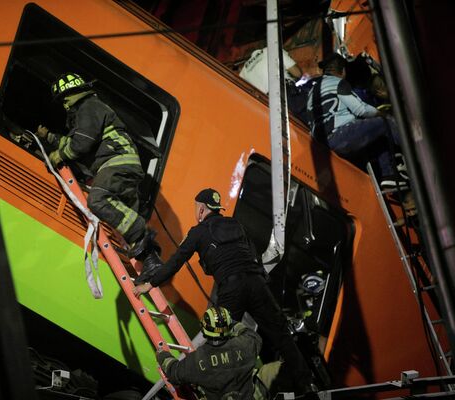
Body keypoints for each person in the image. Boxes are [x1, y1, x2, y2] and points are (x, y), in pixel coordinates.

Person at [132, 188, 318, 397]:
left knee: (219, 341)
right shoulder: (235, 224)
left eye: (197, 209)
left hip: (232, 289)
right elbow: (250, 253)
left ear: (201, 209)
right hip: (257, 283)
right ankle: (306, 385)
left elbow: (177, 261)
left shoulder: (198, 231)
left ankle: (218, 391)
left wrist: (150, 283)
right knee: (282, 336)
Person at [37, 72, 161, 271]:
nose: (64, 105)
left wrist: (59, 155)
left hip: (118, 163)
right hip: (118, 165)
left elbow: (81, 144)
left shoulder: (89, 107)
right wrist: (50, 138)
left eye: (64, 99)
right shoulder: (88, 111)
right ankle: (151, 260)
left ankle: (140, 233)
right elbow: (75, 140)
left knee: (97, 200)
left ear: (71, 94)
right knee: (123, 221)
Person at [307, 53, 408, 189]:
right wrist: (381, 113)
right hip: (341, 135)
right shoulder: (339, 83)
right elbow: (361, 109)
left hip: (323, 145)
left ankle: (389, 176)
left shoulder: (312, 91)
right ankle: (412, 154)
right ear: (342, 70)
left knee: (374, 133)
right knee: (385, 122)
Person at [156, 306, 262, 399]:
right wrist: (228, 322)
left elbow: (174, 372)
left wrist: (162, 355)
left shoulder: (197, 360)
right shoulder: (246, 345)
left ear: (203, 328)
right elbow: (251, 334)